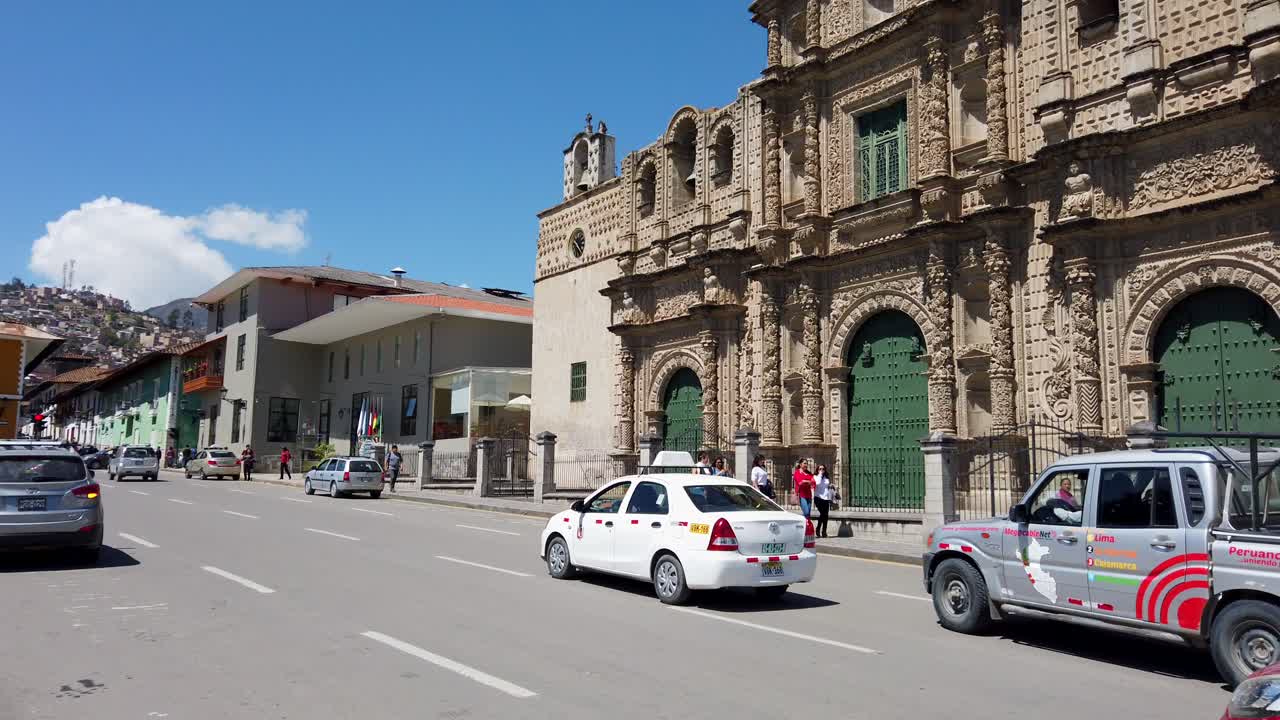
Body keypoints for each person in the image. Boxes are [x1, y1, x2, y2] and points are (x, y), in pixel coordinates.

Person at [813, 464, 833, 538]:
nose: (822, 470)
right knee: (822, 514)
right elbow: (817, 483)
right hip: (818, 497)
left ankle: (824, 531)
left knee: (826, 515)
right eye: (820, 469)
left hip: (826, 498)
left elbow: (826, 485)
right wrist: (820, 475)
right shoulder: (815, 477)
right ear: (817, 470)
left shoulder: (826, 477)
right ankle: (818, 528)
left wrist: (830, 486)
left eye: (823, 469)